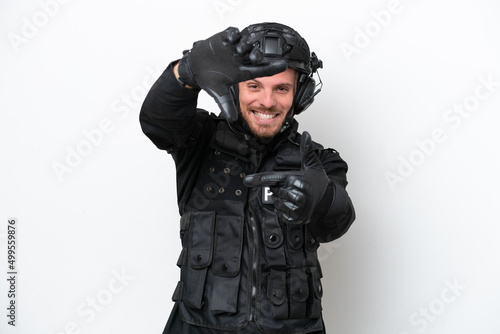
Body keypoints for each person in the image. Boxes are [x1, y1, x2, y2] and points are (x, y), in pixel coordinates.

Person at [140, 22, 355, 334]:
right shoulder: (197, 142)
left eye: (281, 88)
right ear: (233, 88)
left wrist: (321, 199)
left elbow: (338, 221)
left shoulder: (320, 163)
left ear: (301, 95)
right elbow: (156, 123)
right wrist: (185, 72)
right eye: (254, 86)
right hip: (197, 327)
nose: (267, 101)